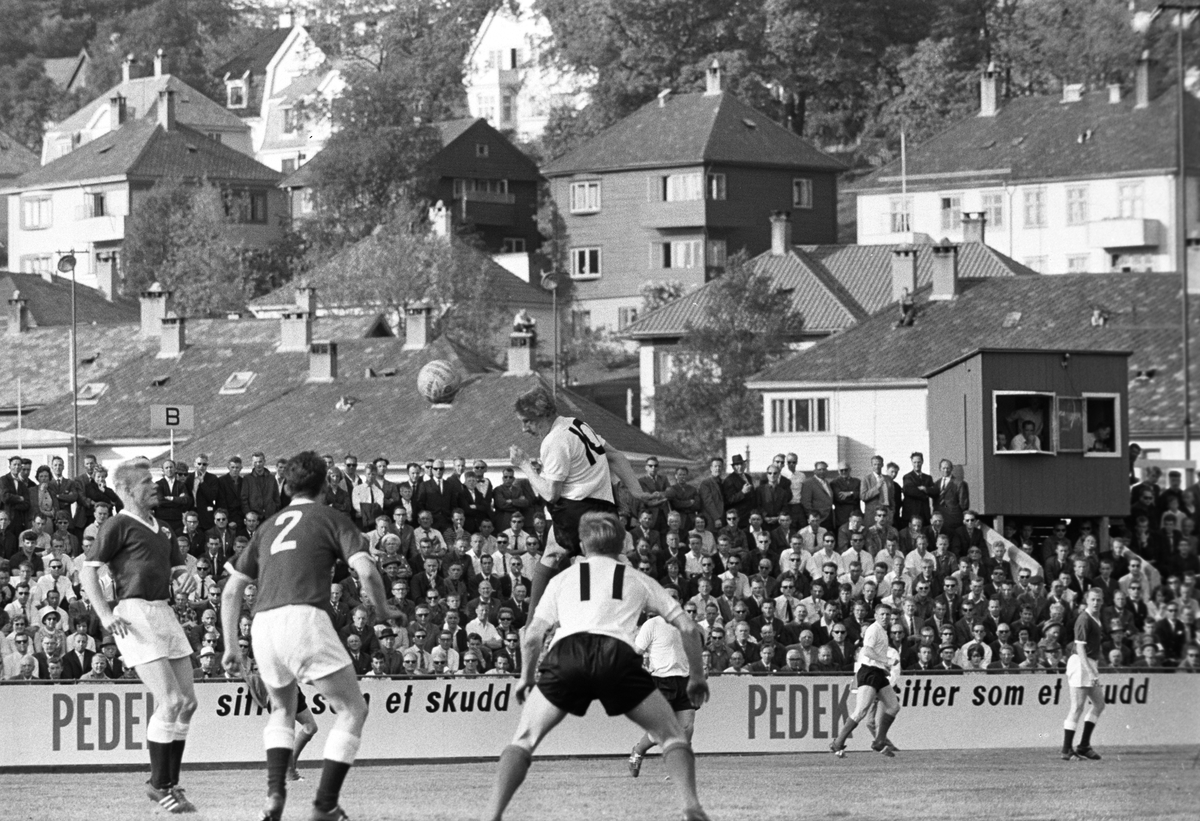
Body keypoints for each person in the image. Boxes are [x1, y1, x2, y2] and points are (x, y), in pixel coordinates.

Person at [484, 512, 710, 821]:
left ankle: (492, 815)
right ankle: (690, 805)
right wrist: (697, 677)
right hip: (616, 655)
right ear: (621, 546)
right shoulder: (638, 578)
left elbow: (534, 635)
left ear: (581, 545)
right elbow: (688, 628)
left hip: (568, 654)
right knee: (672, 735)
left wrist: (526, 677)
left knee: (523, 739)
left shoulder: (562, 580)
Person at [220, 451, 399, 821]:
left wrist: (229, 646)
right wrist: (383, 612)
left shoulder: (267, 526)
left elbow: (231, 591)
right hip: (303, 616)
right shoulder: (331, 517)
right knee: (353, 709)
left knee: (283, 710)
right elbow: (365, 571)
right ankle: (325, 804)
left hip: (262, 625)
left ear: (285, 486)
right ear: (325, 485)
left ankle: (273, 794)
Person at [78, 458, 199, 814]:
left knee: (188, 703)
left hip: (164, 611)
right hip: (135, 614)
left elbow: (177, 569)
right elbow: (89, 572)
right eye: (147, 481)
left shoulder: (161, 529)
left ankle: (170, 783)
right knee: (171, 701)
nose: (155, 485)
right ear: (128, 490)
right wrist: (104, 614)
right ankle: (157, 784)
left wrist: (184, 577)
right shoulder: (118, 523)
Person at [509, 386, 645, 611]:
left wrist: (524, 464)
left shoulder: (554, 440)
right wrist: (638, 492)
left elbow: (551, 494)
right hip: (604, 507)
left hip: (577, 511)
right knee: (587, 562)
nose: (524, 429)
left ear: (542, 414)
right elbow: (615, 456)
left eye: (527, 421)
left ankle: (533, 625)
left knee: (560, 556)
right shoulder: (576, 424)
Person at [627, 608, 701, 778]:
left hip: (684, 680)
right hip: (661, 681)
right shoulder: (651, 625)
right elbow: (636, 653)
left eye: (674, 597)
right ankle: (638, 751)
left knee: (686, 727)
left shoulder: (687, 625)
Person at [829, 601, 901, 758]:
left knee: (894, 706)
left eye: (887, 614)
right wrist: (886, 660)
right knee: (861, 711)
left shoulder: (882, 630)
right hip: (868, 672)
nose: (885, 617)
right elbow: (867, 651)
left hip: (878, 672)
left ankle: (879, 741)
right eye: (882, 614)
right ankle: (837, 742)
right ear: (875, 616)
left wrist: (884, 666)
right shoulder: (873, 630)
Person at [1061, 587, 1106, 762]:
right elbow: (1080, 647)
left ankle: (1084, 745)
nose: (1096, 603)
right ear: (1087, 600)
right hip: (1080, 663)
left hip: (1089, 663)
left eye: (1099, 600)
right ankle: (1066, 749)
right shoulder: (1084, 618)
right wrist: (1090, 671)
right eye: (1093, 599)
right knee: (1077, 707)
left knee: (1099, 704)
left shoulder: (1096, 618)